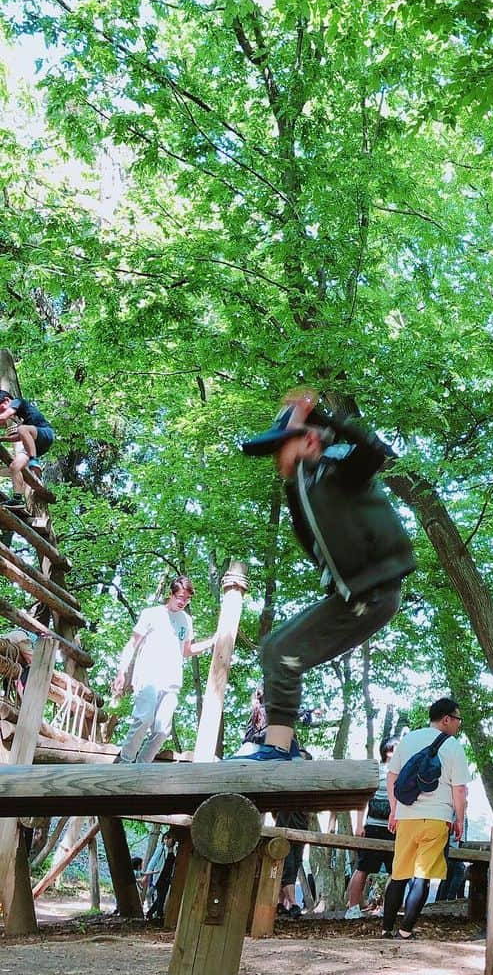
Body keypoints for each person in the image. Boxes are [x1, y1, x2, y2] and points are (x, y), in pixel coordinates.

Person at [237, 390, 416, 761]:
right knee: (277, 649)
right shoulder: (306, 488)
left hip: (374, 593)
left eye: (279, 450)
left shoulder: (342, 471)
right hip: (356, 596)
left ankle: (279, 749)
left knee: (280, 649)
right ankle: (281, 748)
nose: (276, 460)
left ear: (309, 440)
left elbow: (375, 452)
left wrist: (322, 418)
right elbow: (308, 529)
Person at [383, 697, 470, 939]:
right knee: (422, 876)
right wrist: (459, 819)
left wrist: (394, 810)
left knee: (399, 874)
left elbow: (392, 777)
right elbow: (459, 789)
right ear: (446, 719)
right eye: (457, 719)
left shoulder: (409, 739)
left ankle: (386, 929)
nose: (458, 725)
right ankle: (405, 931)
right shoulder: (453, 746)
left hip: (407, 817)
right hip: (436, 819)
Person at [111, 576, 214, 763]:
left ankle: (142, 768)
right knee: (144, 719)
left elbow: (187, 650)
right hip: (148, 677)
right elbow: (132, 644)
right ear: (171, 594)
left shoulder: (186, 621)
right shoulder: (152, 614)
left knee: (162, 729)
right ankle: (124, 763)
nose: (182, 602)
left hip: (172, 681)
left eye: (187, 599)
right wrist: (121, 671)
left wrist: (212, 642)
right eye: (180, 597)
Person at [345, 735, 398, 919]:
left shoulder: (404, 772)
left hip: (394, 829)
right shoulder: (376, 771)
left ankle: (387, 908)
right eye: (396, 747)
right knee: (363, 867)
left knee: (396, 870)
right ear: (388, 750)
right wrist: (359, 825)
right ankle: (352, 908)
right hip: (374, 826)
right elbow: (364, 798)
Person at [0, 389, 55, 500]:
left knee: (21, 429)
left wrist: (3, 416)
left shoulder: (17, 401)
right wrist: (2, 439)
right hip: (34, 444)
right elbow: (18, 437)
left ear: (7, 400)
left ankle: (34, 461)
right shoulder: (23, 421)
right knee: (14, 466)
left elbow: (5, 416)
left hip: (46, 433)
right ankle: (17, 499)